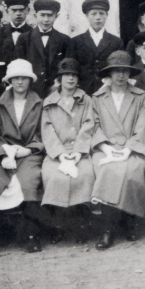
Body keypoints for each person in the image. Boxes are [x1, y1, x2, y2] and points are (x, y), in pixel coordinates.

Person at [0, 60, 47, 253]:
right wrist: (4, 155)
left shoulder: (39, 103)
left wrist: (29, 150)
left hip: (29, 153)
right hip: (4, 152)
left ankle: (31, 235)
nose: (20, 82)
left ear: (30, 80)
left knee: (28, 181)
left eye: (24, 78)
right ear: (9, 80)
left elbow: (43, 133)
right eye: (16, 78)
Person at [89, 51, 145, 250]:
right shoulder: (97, 97)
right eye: (116, 71)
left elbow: (142, 127)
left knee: (134, 170)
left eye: (125, 71)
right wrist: (106, 148)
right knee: (107, 169)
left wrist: (128, 150)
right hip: (105, 148)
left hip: (131, 147)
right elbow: (93, 125)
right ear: (109, 73)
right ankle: (107, 228)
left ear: (130, 73)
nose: (120, 75)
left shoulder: (140, 96)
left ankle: (130, 220)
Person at [40, 58, 97, 243]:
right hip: (57, 152)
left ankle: (81, 225)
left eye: (74, 75)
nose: (70, 78)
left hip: (81, 150)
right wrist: (61, 154)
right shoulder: (49, 102)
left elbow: (89, 125)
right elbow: (47, 130)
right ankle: (58, 226)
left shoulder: (86, 100)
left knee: (85, 174)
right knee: (54, 176)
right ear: (60, 78)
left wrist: (79, 151)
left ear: (78, 79)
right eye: (66, 75)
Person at [66, 0, 124, 95]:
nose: (98, 18)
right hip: (82, 91)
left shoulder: (116, 42)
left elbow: (120, 67)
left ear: (107, 15)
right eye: (93, 14)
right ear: (87, 16)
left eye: (101, 13)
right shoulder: (75, 42)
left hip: (108, 91)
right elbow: (70, 68)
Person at [16, 0, 70, 97]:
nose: (46, 20)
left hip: (56, 90)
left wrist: (58, 83)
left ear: (56, 16)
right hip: (30, 90)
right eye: (42, 15)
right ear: (35, 15)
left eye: (50, 15)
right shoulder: (24, 38)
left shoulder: (64, 40)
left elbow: (66, 66)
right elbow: (20, 65)